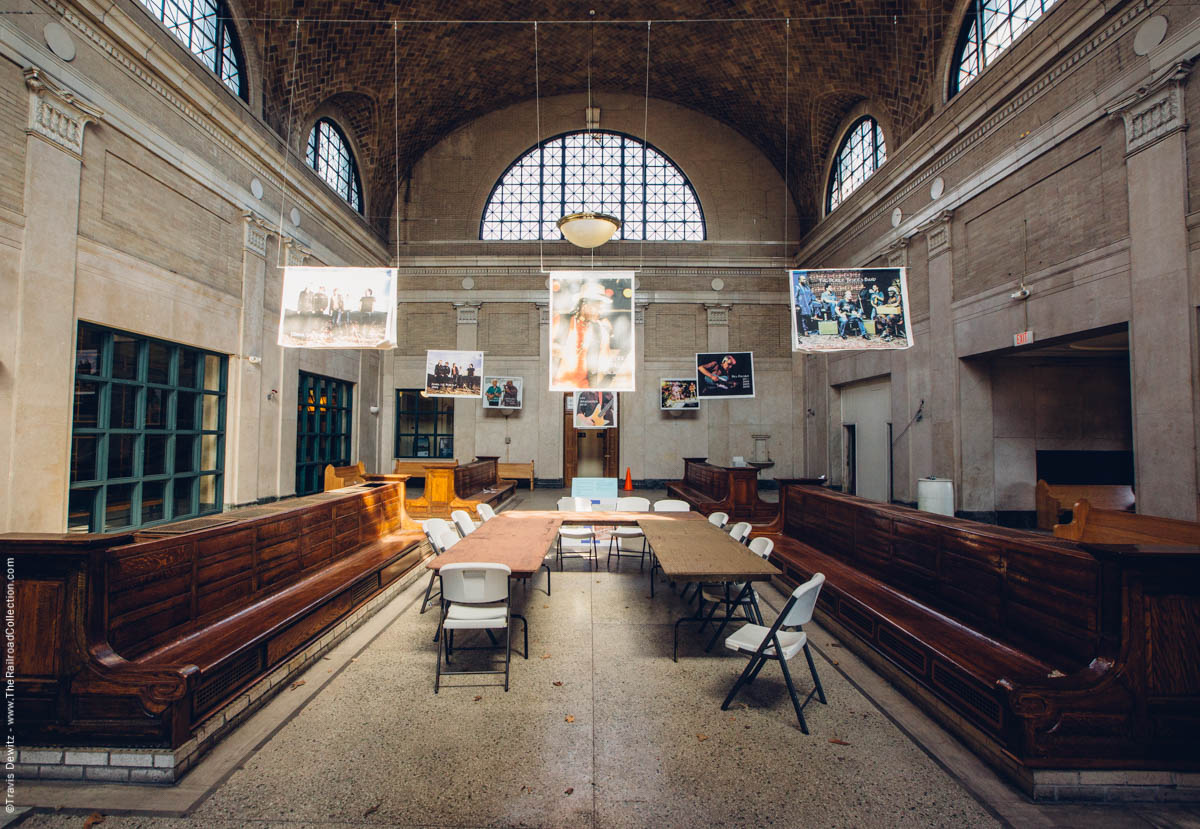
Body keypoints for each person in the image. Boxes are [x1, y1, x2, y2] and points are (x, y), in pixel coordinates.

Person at [553, 283, 617, 388]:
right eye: (597, 306)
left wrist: (607, 335)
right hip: (557, 387)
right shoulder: (561, 321)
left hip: (584, 389)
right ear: (584, 305)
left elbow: (605, 365)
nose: (600, 311)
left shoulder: (600, 329)